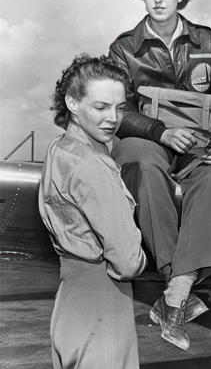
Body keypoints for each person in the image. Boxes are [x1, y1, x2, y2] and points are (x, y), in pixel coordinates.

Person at [107, 0, 211, 351]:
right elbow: (118, 108)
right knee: (141, 165)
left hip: (200, 143)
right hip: (149, 140)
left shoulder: (205, 40)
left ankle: (173, 296)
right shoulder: (124, 48)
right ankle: (180, 283)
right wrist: (160, 131)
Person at [39, 54, 147, 369]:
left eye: (119, 107)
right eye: (100, 107)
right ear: (72, 103)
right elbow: (127, 262)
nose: (113, 118)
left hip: (70, 302)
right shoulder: (94, 164)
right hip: (103, 301)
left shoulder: (59, 150)